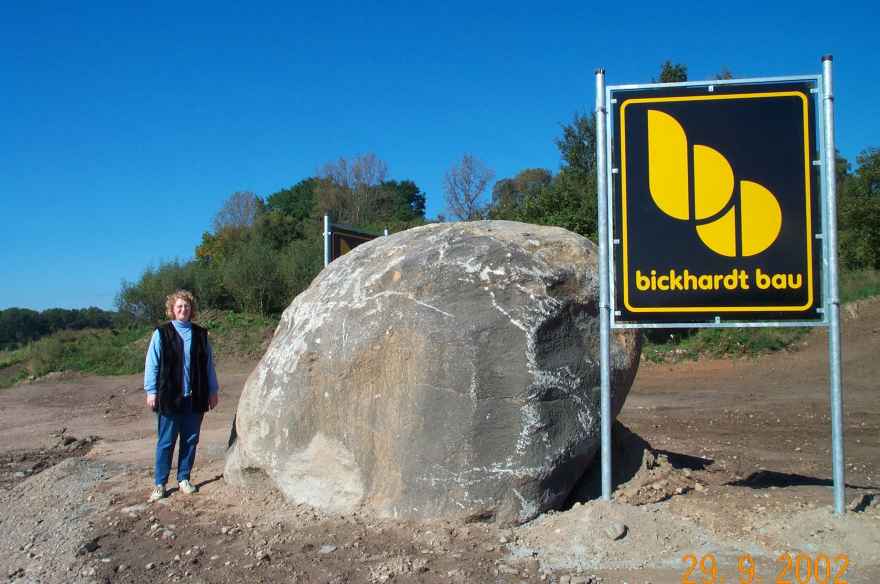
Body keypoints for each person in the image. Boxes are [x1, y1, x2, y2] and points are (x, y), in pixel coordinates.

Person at [144, 290, 219, 502]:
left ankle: (184, 478)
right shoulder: (161, 333)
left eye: (186, 306)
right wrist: (151, 391)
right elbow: (152, 363)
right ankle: (160, 484)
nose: (183, 310)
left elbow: (208, 366)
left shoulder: (201, 334)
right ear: (172, 310)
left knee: (190, 440)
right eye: (179, 306)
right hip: (169, 396)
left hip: (195, 397)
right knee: (166, 442)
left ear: (191, 309)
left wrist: (213, 391)